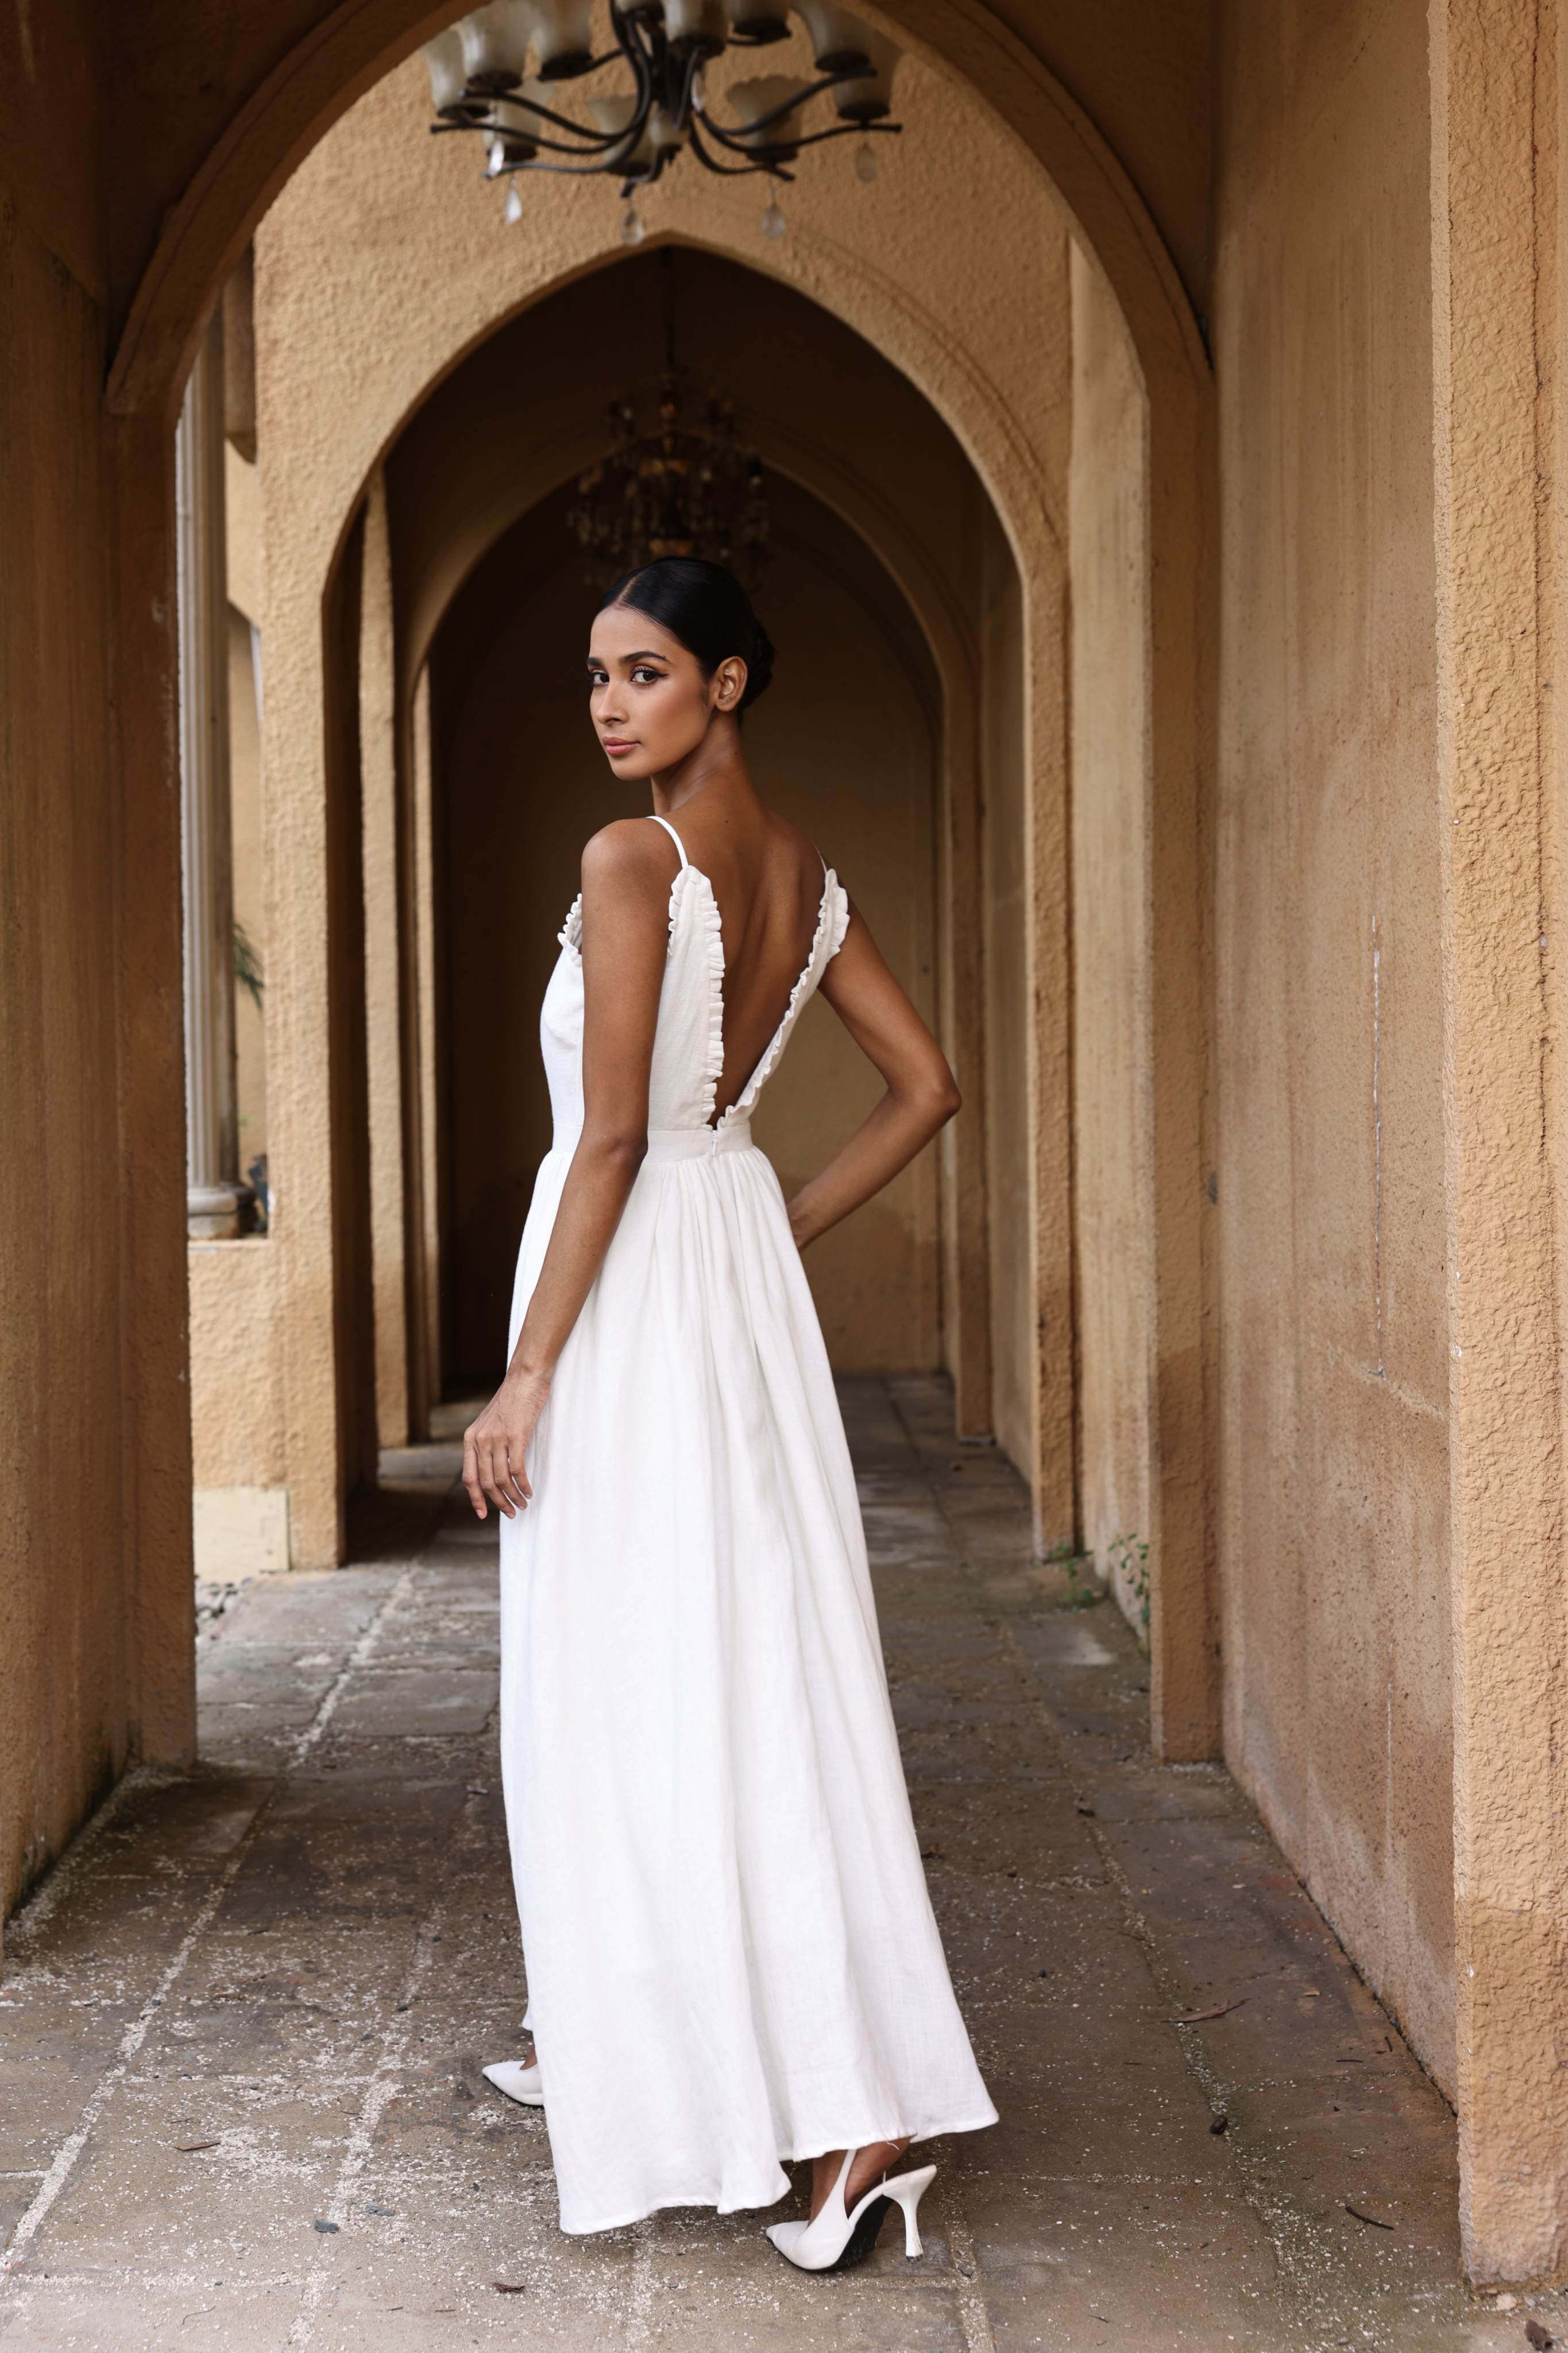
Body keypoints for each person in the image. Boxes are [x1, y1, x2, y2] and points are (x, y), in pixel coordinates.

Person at [462, 556, 997, 2271]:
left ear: (728, 683)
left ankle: (782, 2084)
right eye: (597, 678)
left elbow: (609, 1140)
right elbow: (927, 1088)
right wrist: (774, 1219)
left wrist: (529, 1366)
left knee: (621, 1660)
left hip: (627, 1291)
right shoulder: (810, 879)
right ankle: (668, 2039)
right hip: (729, 1274)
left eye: (643, 671)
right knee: (745, 1657)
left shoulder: (635, 862)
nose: (612, 703)